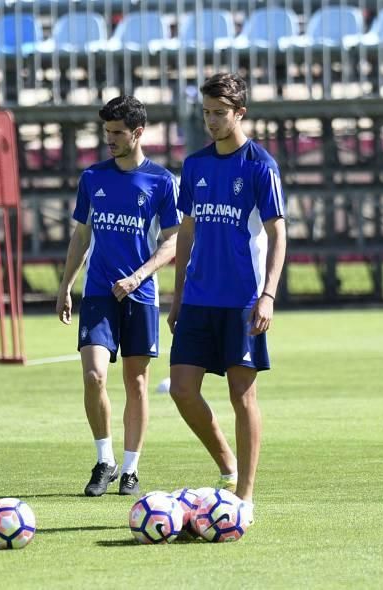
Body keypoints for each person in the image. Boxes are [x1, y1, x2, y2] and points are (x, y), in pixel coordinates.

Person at [167, 73, 287, 523]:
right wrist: (176, 296)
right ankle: (226, 464)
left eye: (219, 112)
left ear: (240, 113)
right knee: (181, 389)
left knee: (242, 395)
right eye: (206, 113)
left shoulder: (260, 165)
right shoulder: (195, 165)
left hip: (242, 298)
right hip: (198, 297)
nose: (211, 121)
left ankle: (246, 497)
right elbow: (187, 233)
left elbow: (278, 234)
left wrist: (268, 295)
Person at [57, 95, 181, 497]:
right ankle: (104, 459)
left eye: (116, 133)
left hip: (140, 295)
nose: (108, 140)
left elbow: (172, 242)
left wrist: (138, 277)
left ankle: (130, 468)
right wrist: (65, 287)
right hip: (98, 294)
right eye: (106, 132)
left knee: (137, 384)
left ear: (138, 133)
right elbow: (81, 236)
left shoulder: (161, 182)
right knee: (94, 376)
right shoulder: (93, 178)